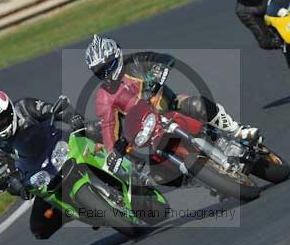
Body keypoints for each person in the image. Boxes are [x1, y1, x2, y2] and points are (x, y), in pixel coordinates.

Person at [84, 35, 260, 177]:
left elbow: (164, 59)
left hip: (171, 106)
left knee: (197, 105)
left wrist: (159, 69)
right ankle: (201, 179)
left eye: (108, 66)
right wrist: (111, 153)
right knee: (159, 175)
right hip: (146, 129)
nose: (106, 74)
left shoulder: (136, 62)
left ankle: (237, 130)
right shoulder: (103, 96)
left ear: (118, 55)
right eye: (100, 71)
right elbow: (108, 126)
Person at [0, 90, 83, 240]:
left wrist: (72, 117)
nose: (0, 124)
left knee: (91, 129)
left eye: (2, 118)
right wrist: (17, 187)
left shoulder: (25, 107)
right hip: (43, 175)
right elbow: (8, 173)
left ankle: (122, 156)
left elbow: (52, 110)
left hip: (62, 146)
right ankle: (82, 212)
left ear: (11, 111)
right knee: (39, 228)